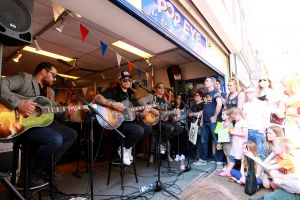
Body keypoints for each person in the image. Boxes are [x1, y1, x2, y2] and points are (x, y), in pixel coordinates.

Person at [0, 62, 78, 188]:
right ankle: (29, 174)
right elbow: (1, 84)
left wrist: (67, 113)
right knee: (55, 139)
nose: (55, 79)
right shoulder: (25, 79)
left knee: (71, 134)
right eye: (53, 75)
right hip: (23, 127)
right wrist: (19, 104)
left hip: (43, 124)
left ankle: (48, 166)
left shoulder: (50, 92)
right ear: (43, 72)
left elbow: (51, 112)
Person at [98, 71, 153, 165]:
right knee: (138, 130)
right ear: (119, 81)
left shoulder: (131, 93)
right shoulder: (113, 90)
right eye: (124, 80)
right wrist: (112, 104)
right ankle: (123, 147)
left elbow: (133, 110)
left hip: (129, 122)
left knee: (148, 129)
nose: (127, 81)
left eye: (129, 80)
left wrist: (142, 112)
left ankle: (128, 146)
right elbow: (97, 97)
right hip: (118, 123)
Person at [138, 82, 183, 162]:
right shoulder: (152, 97)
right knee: (169, 128)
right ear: (155, 89)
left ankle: (161, 142)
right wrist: (152, 109)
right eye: (160, 87)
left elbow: (168, 114)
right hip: (154, 122)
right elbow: (140, 101)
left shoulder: (165, 101)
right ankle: (154, 152)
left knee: (179, 128)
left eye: (163, 88)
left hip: (164, 122)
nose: (162, 89)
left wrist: (174, 113)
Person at [199, 77, 223, 168]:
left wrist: (215, 116)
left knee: (217, 141)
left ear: (212, 83)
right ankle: (203, 160)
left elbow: (219, 103)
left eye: (207, 81)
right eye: (205, 81)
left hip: (214, 121)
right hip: (205, 121)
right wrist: (201, 119)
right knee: (203, 141)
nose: (205, 82)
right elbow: (205, 108)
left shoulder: (216, 92)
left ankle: (219, 162)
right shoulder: (206, 94)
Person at [219, 108, 248, 176]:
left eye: (234, 117)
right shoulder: (238, 122)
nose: (233, 119)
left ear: (238, 114)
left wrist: (233, 132)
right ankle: (228, 171)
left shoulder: (243, 122)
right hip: (235, 143)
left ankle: (243, 173)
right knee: (232, 158)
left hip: (240, 144)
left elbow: (245, 134)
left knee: (242, 159)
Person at [243, 86, 269, 160]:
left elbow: (266, 118)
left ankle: (263, 171)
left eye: (250, 92)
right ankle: (252, 170)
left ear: (255, 93)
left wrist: (261, 131)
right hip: (248, 131)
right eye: (246, 93)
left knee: (261, 153)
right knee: (250, 152)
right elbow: (244, 118)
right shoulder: (245, 105)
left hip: (258, 131)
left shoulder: (261, 104)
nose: (247, 94)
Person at [189, 91, 205, 164]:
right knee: (194, 141)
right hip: (193, 125)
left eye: (197, 95)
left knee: (199, 141)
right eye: (195, 95)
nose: (195, 96)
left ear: (201, 97)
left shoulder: (203, 104)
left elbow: (201, 113)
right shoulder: (193, 105)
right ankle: (196, 157)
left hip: (199, 124)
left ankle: (199, 157)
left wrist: (193, 114)